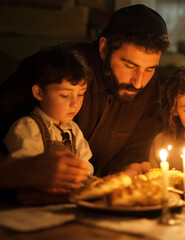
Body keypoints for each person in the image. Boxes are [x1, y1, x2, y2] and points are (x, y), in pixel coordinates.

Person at [0, 4, 170, 183]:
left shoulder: (149, 87)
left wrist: (122, 177)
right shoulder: (56, 66)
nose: (139, 82)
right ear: (104, 49)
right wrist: (25, 172)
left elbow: (135, 151)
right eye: (130, 66)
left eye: (150, 69)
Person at [3, 46, 94, 177]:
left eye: (81, 94)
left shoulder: (74, 131)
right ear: (39, 92)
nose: (75, 104)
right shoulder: (28, 128)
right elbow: (23, 174)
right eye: (65, 95)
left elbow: (86, 169)